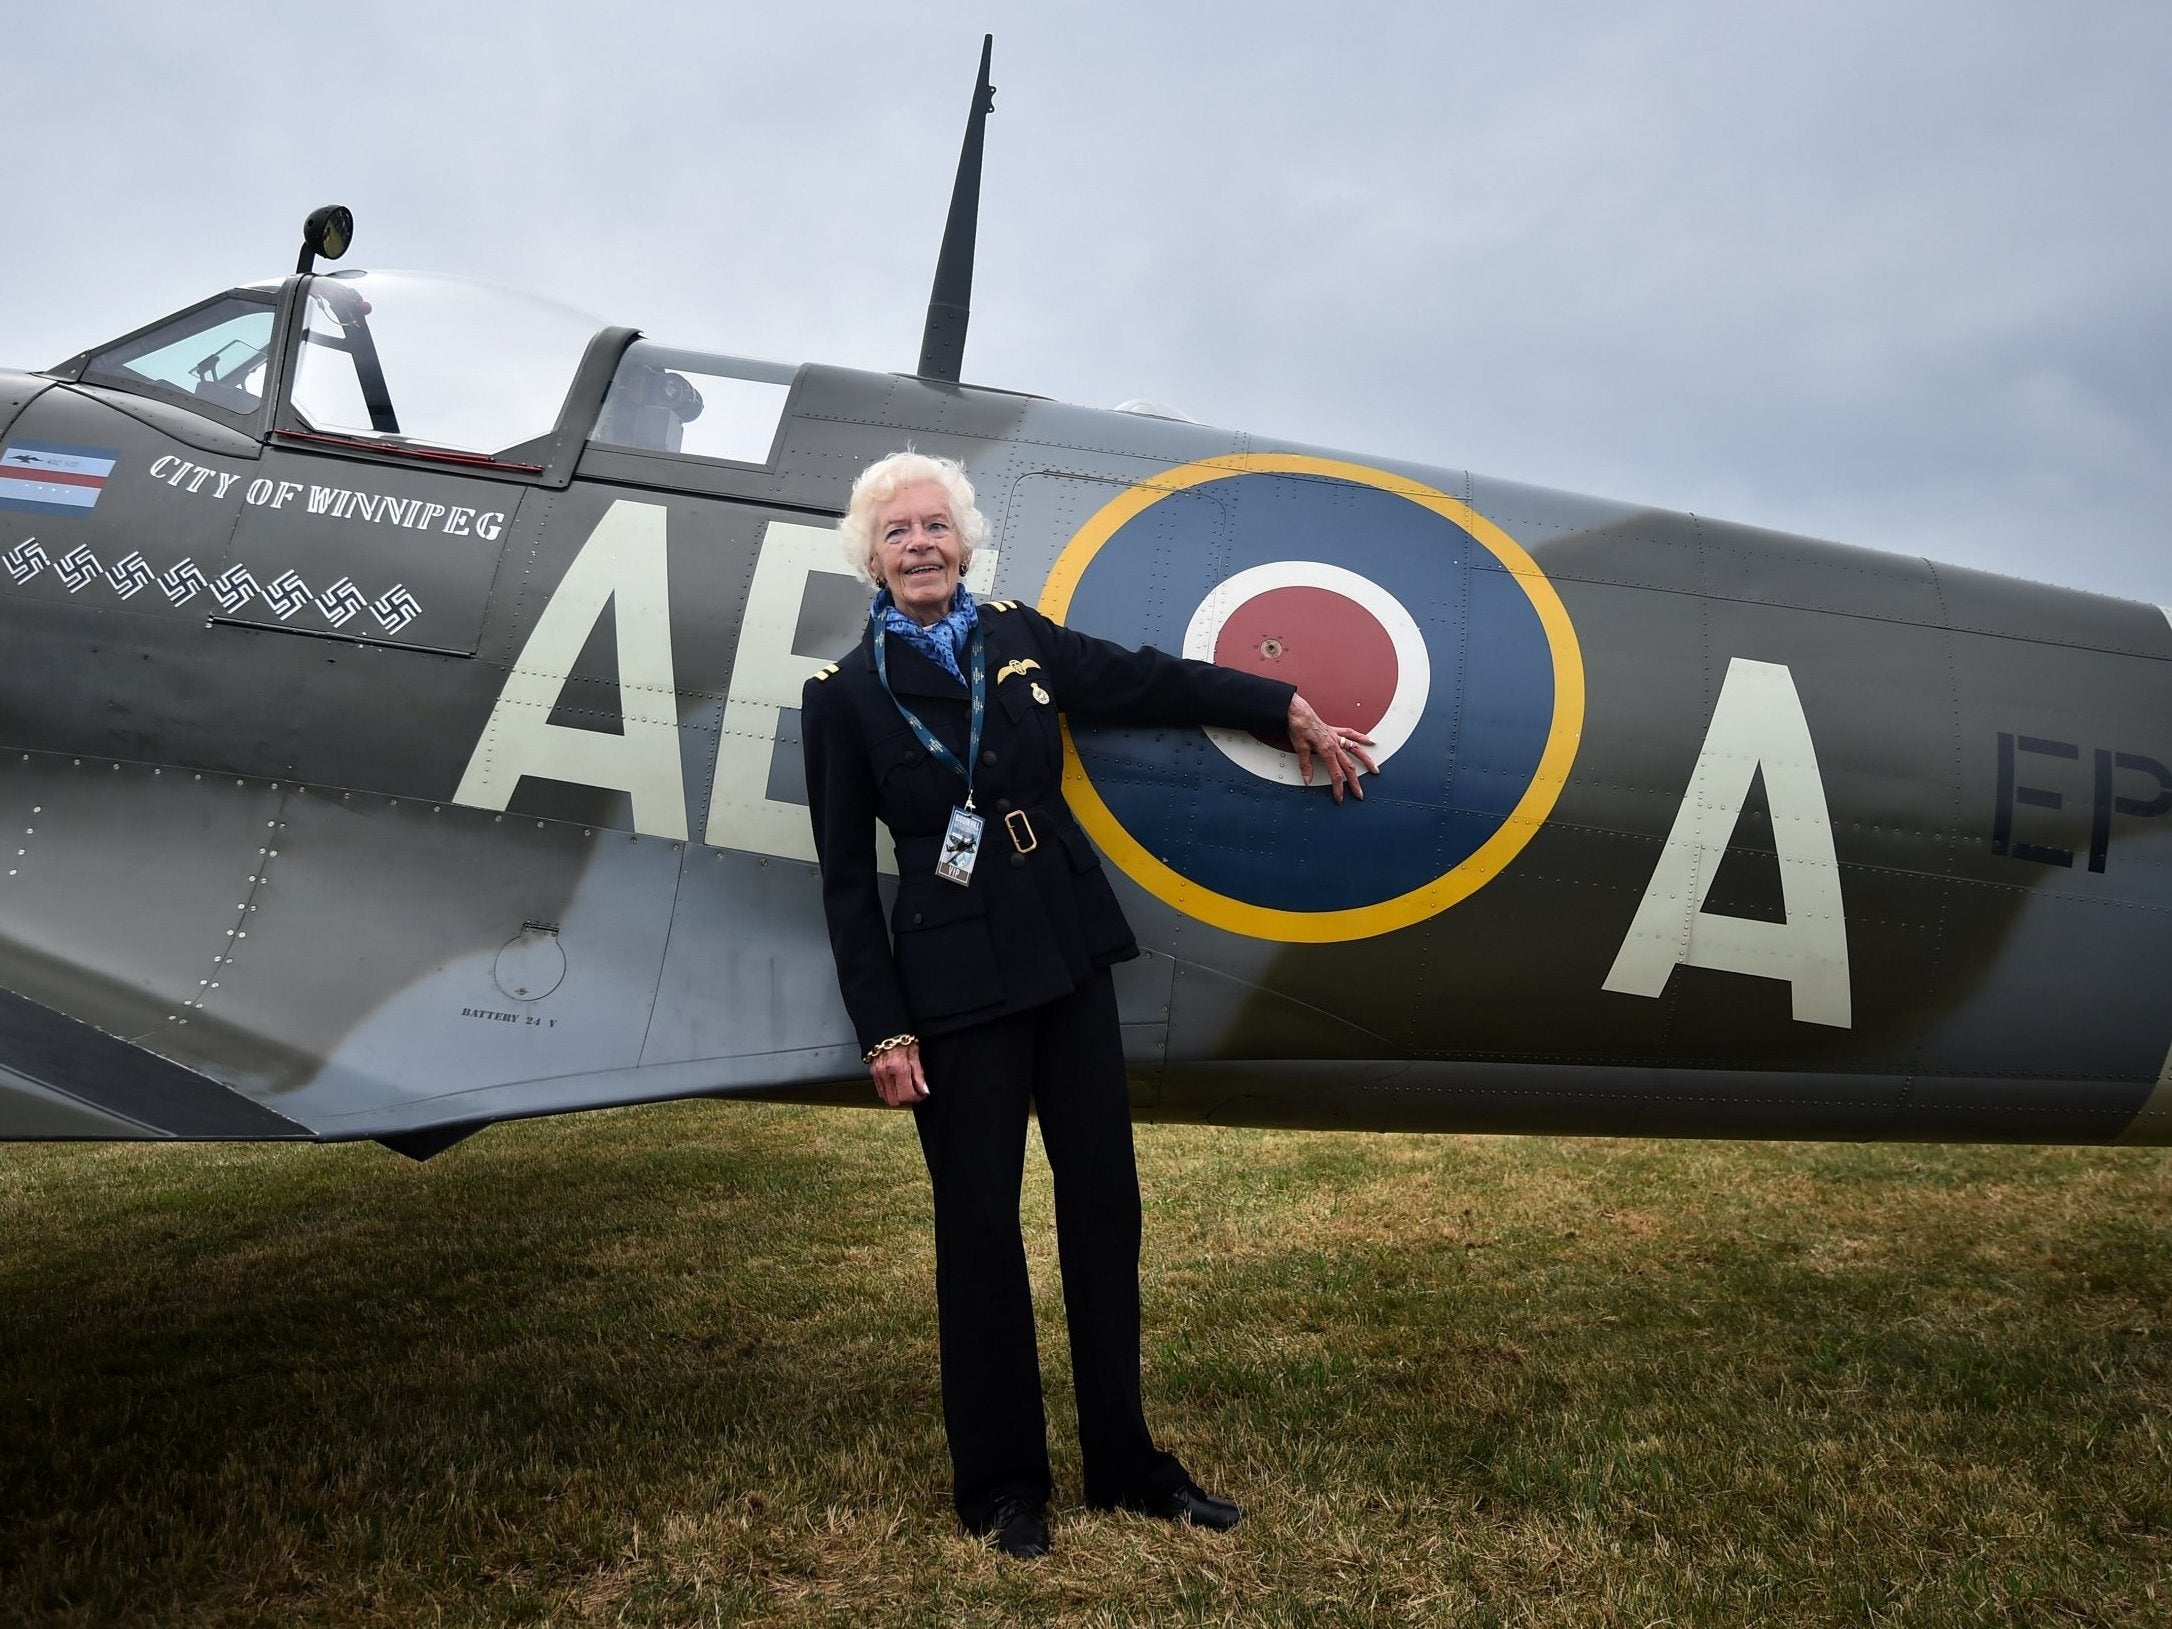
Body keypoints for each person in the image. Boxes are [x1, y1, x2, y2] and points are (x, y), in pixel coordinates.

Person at [800, 450, 1374, 1559]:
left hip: (1064, 952)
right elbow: (840, 881)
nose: (920, 545)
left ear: (962, 541)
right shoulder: (845, 696)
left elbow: (1150, 681)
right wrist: (884, 1027)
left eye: (935, 526)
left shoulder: (1021, 637)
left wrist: (1280, 703)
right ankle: (1004, 1485)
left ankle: (1126, 1464)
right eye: (896, 534)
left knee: (1103, 1207)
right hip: (953, 985)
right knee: (978, 1231)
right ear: (869, 560)